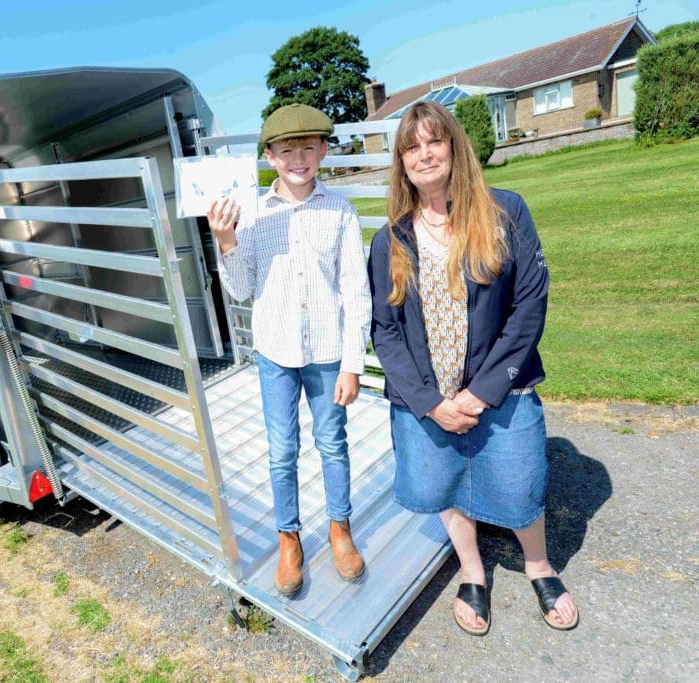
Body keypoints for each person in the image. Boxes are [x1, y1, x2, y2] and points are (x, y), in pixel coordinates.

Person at [367, 100, 578, 635]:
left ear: (454, 145)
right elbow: (385, 333)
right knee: (445, 485)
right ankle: (472, 571)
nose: (424, 154)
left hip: (502, 392)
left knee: (519, 481)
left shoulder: (504, 210)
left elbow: (530, 304)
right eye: (411, 147)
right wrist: (431, 404)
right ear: (401, 163)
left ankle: (538, 566)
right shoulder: (390, 238)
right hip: (428, 402)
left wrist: (481, 394)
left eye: (434, 140)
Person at [207, 103, 372, 597]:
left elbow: (354, 290)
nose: (297, 157)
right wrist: (226, 241)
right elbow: (240, 291)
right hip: (275, 353)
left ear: (323, 150)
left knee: (332, 443)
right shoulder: (250, 213)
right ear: (270, 158)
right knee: (282, 451)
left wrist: (352, 364)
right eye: (285, 150)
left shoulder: (339, 211)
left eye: (307, 147)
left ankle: (339, 529)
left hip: (325, 353)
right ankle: (289, 538)